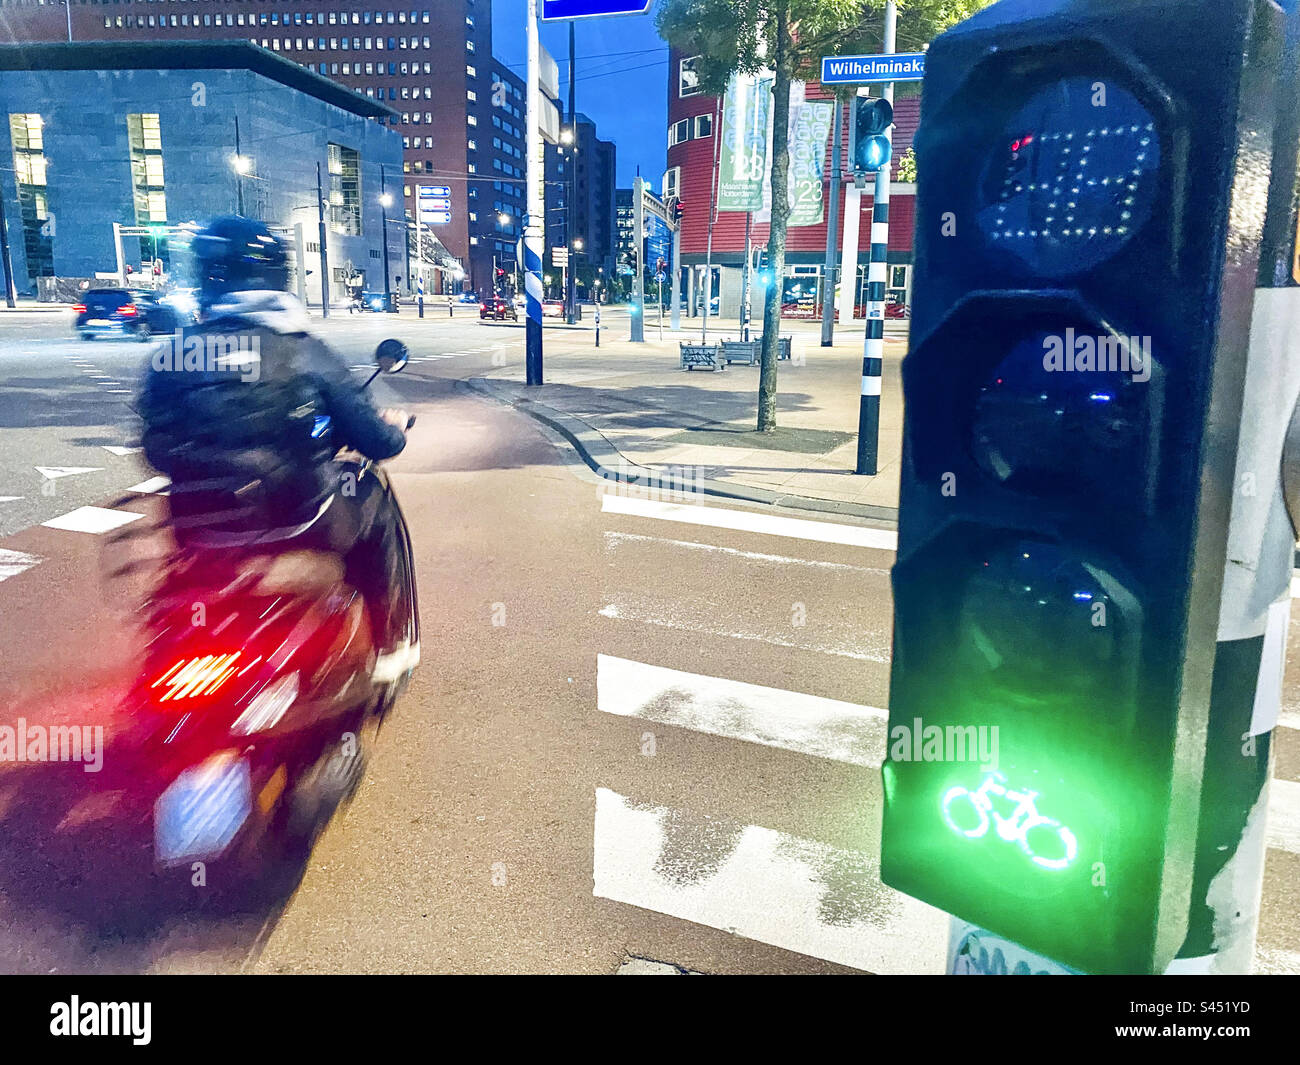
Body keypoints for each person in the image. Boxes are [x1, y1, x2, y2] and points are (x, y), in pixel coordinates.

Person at [137, 215, 416, 682]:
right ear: (277, 276)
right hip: (298, 516)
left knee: (175, 595)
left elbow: (155, 446)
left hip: (199, 527)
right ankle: (391, 644)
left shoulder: (173, 355)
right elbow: (373, 439)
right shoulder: (303, 351)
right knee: (373, 496)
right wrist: (394, 431)